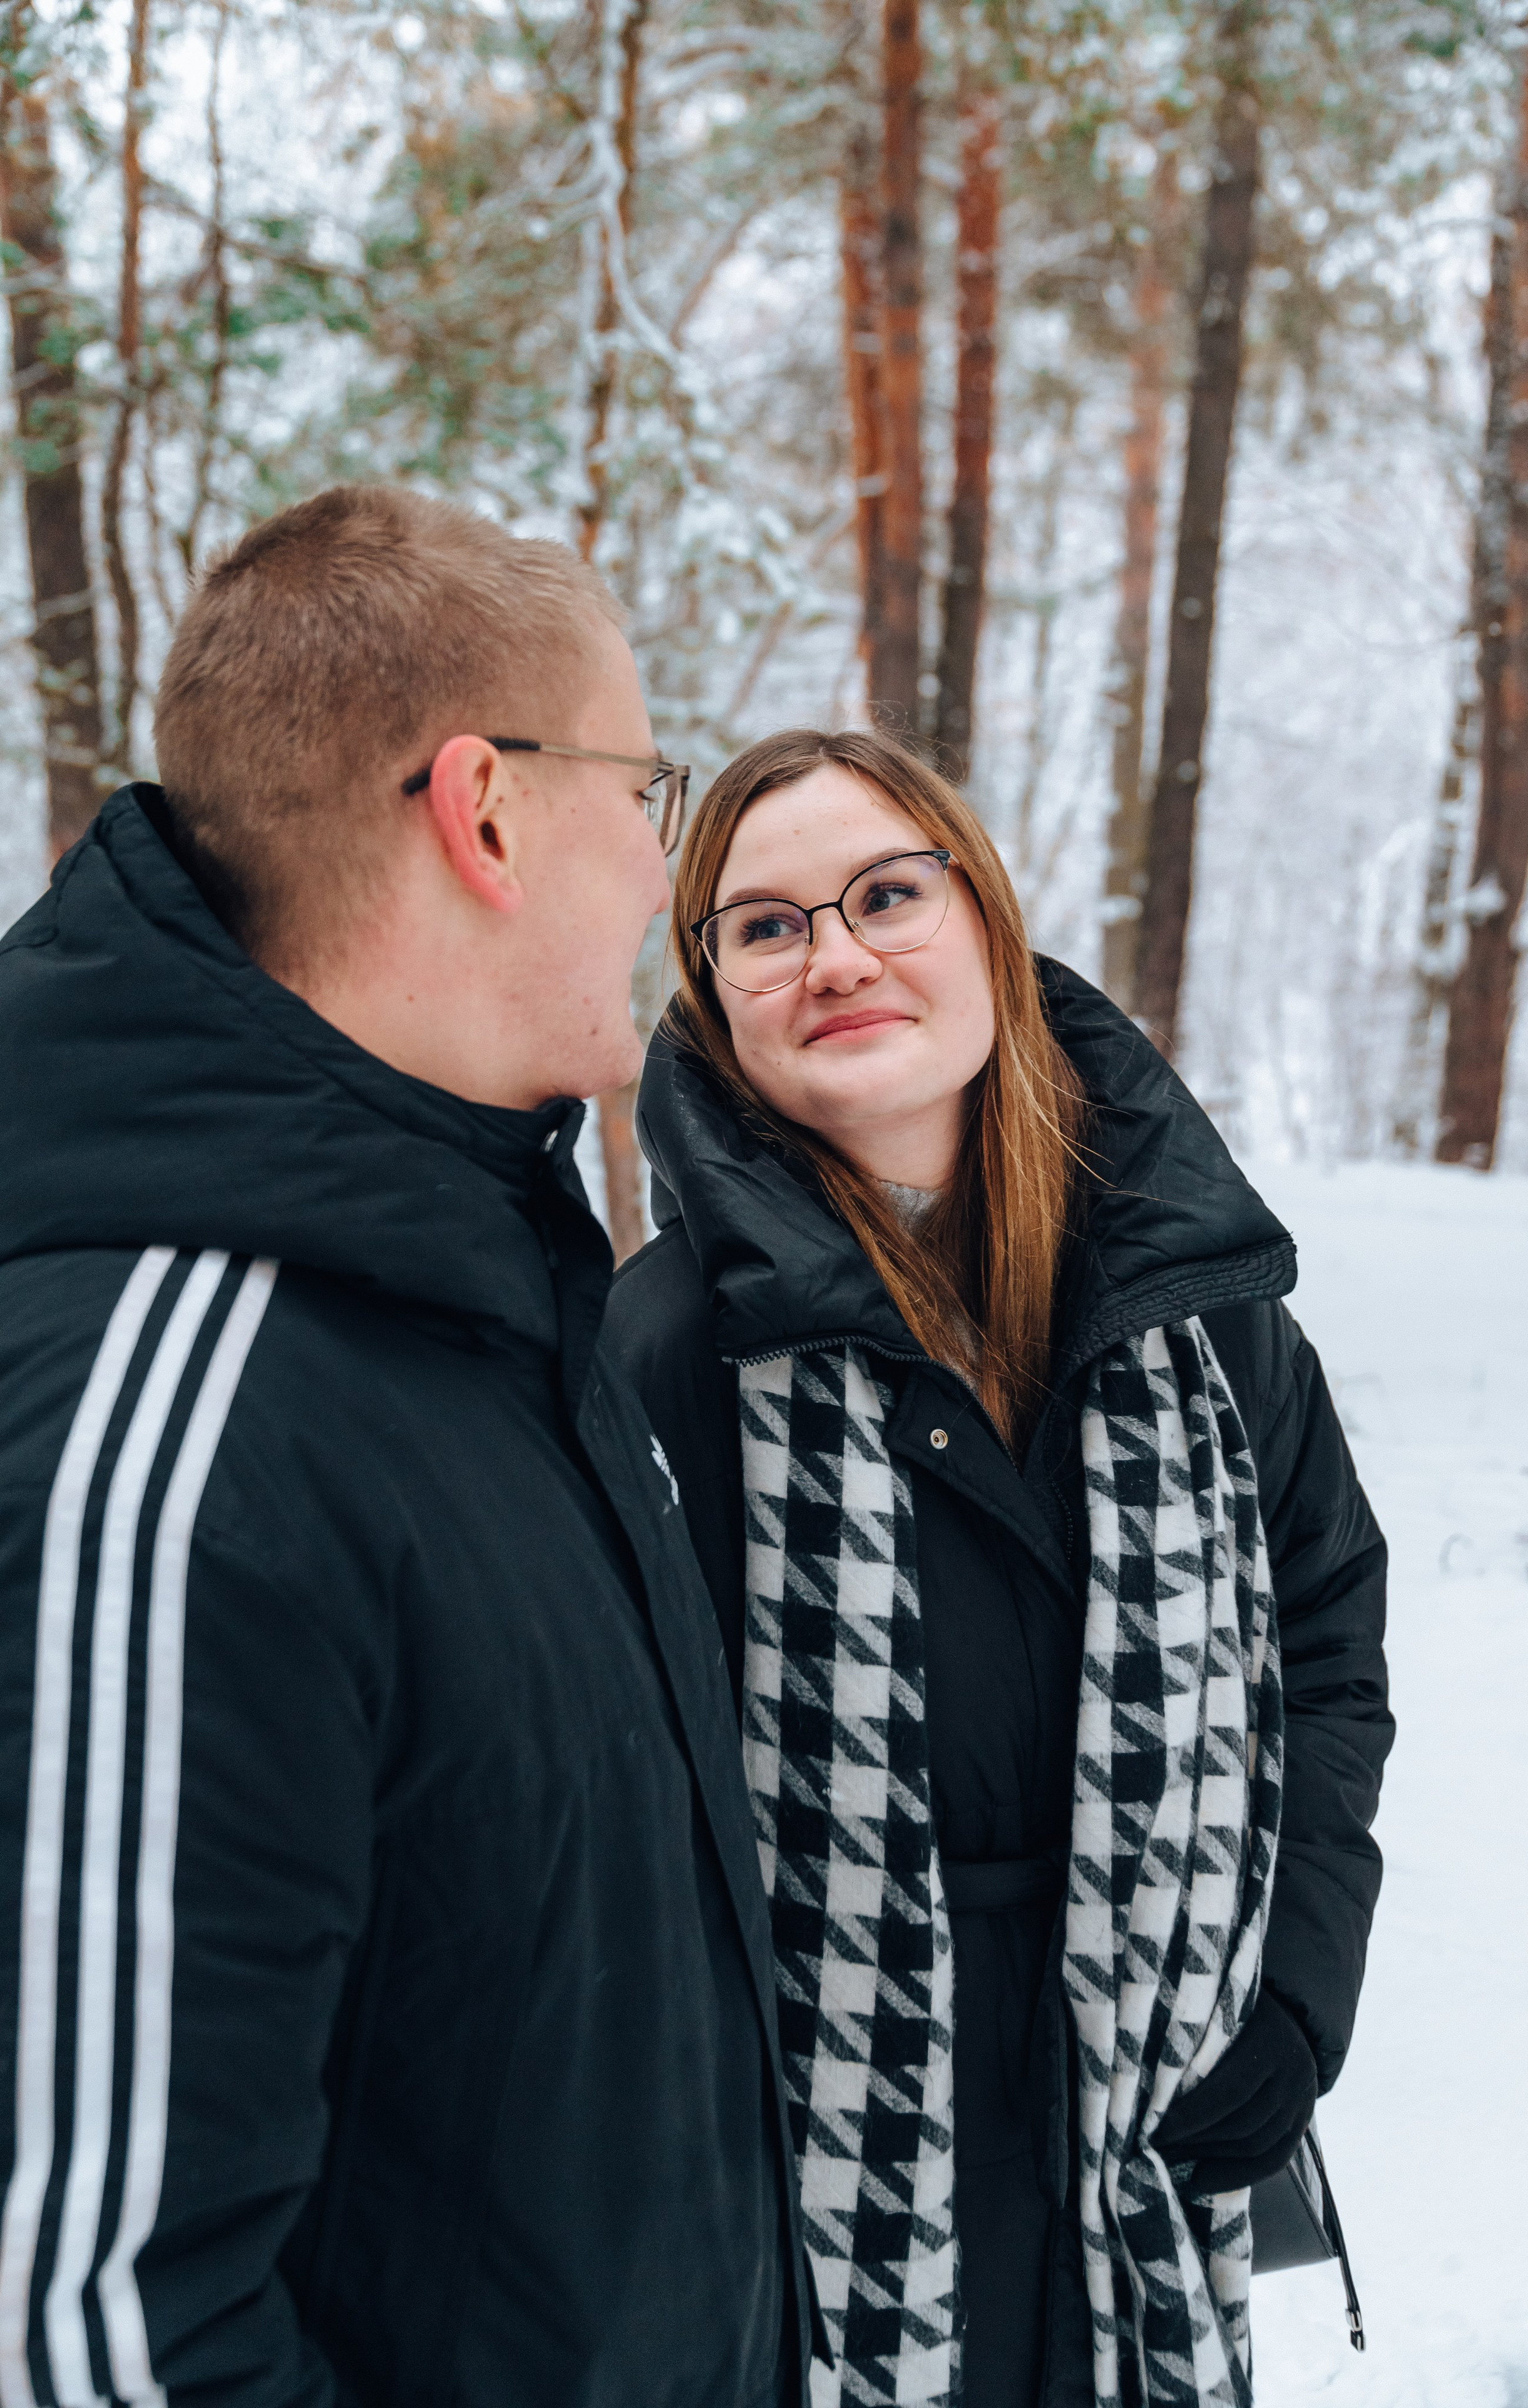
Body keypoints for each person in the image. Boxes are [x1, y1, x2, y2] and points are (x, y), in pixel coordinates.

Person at [0, 487, 813, 2408]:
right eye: (648, 790)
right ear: (487, 809)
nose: (663, 873)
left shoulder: (487, 1312)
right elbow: (82, 2324)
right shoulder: (177, 1425)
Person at [603, 728, 1395, 2408]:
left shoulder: (1203, 1308)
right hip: (822, 2174)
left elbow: (1325, 1640)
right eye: (763, 924)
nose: (834, 955)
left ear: (984, 916)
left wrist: (1302, 1993)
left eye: (886, 892)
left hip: (1152, 2129)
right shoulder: (666, 1353)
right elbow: (601, 1796)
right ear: (712, 1000)